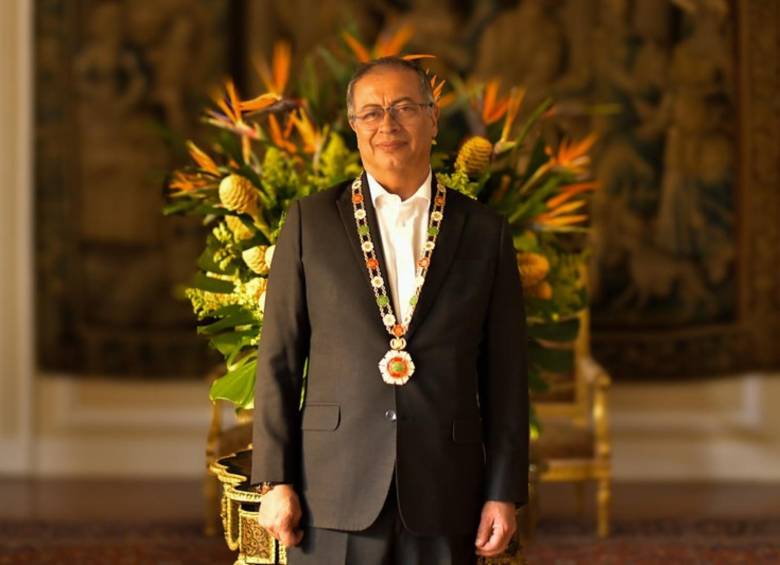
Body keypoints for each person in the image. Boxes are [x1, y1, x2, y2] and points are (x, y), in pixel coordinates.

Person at [250, 56, 529, 565]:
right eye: (372, 112)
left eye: (403, 107)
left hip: (448, 488)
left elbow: (506, 374)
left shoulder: (485, 232)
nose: (388, 124)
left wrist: (504, 489)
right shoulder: (310, 222)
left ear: (433, 117)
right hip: (331, 488)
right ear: (354, 125)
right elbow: (278, 360)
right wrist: (275, 479)